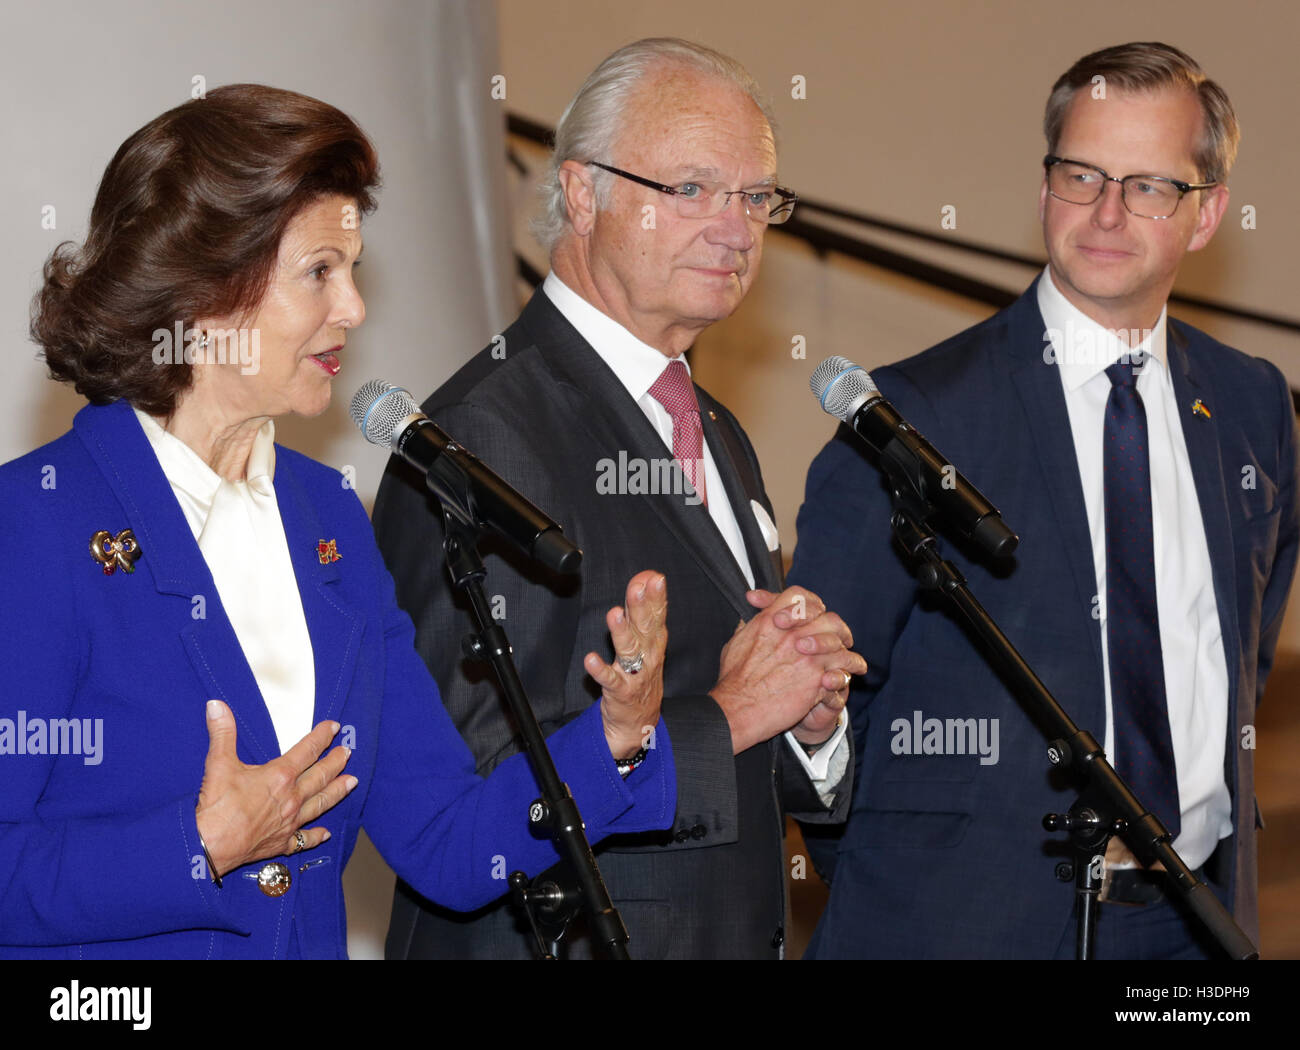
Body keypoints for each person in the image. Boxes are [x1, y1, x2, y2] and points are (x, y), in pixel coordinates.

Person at [0, 84, 677, 960]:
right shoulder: (37, 525)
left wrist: (616, 740)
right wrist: (195, 845)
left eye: (351, 271)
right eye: (320, 271)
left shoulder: (326, 516)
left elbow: (447, 837)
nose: (354, 309)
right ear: (204, 290)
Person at [791, 41, 1299, 959]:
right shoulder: (910, 418)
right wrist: (905, 873)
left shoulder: (1254, 403)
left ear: (1209, 212)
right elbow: (818, 708)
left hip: (1196, 922)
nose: (1107, 212)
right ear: (1044, 186)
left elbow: (1237, 660)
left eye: (1149, 186)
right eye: (1082, 175)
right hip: (967, 924)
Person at [375, 38, 865, 960]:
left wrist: (807, 720)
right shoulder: (478, 438)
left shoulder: (716, 428)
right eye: (691, 189)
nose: (736, 228)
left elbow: (737, 765)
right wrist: (733, 713)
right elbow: (475, 793)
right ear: (581, 193)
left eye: (757, 197)